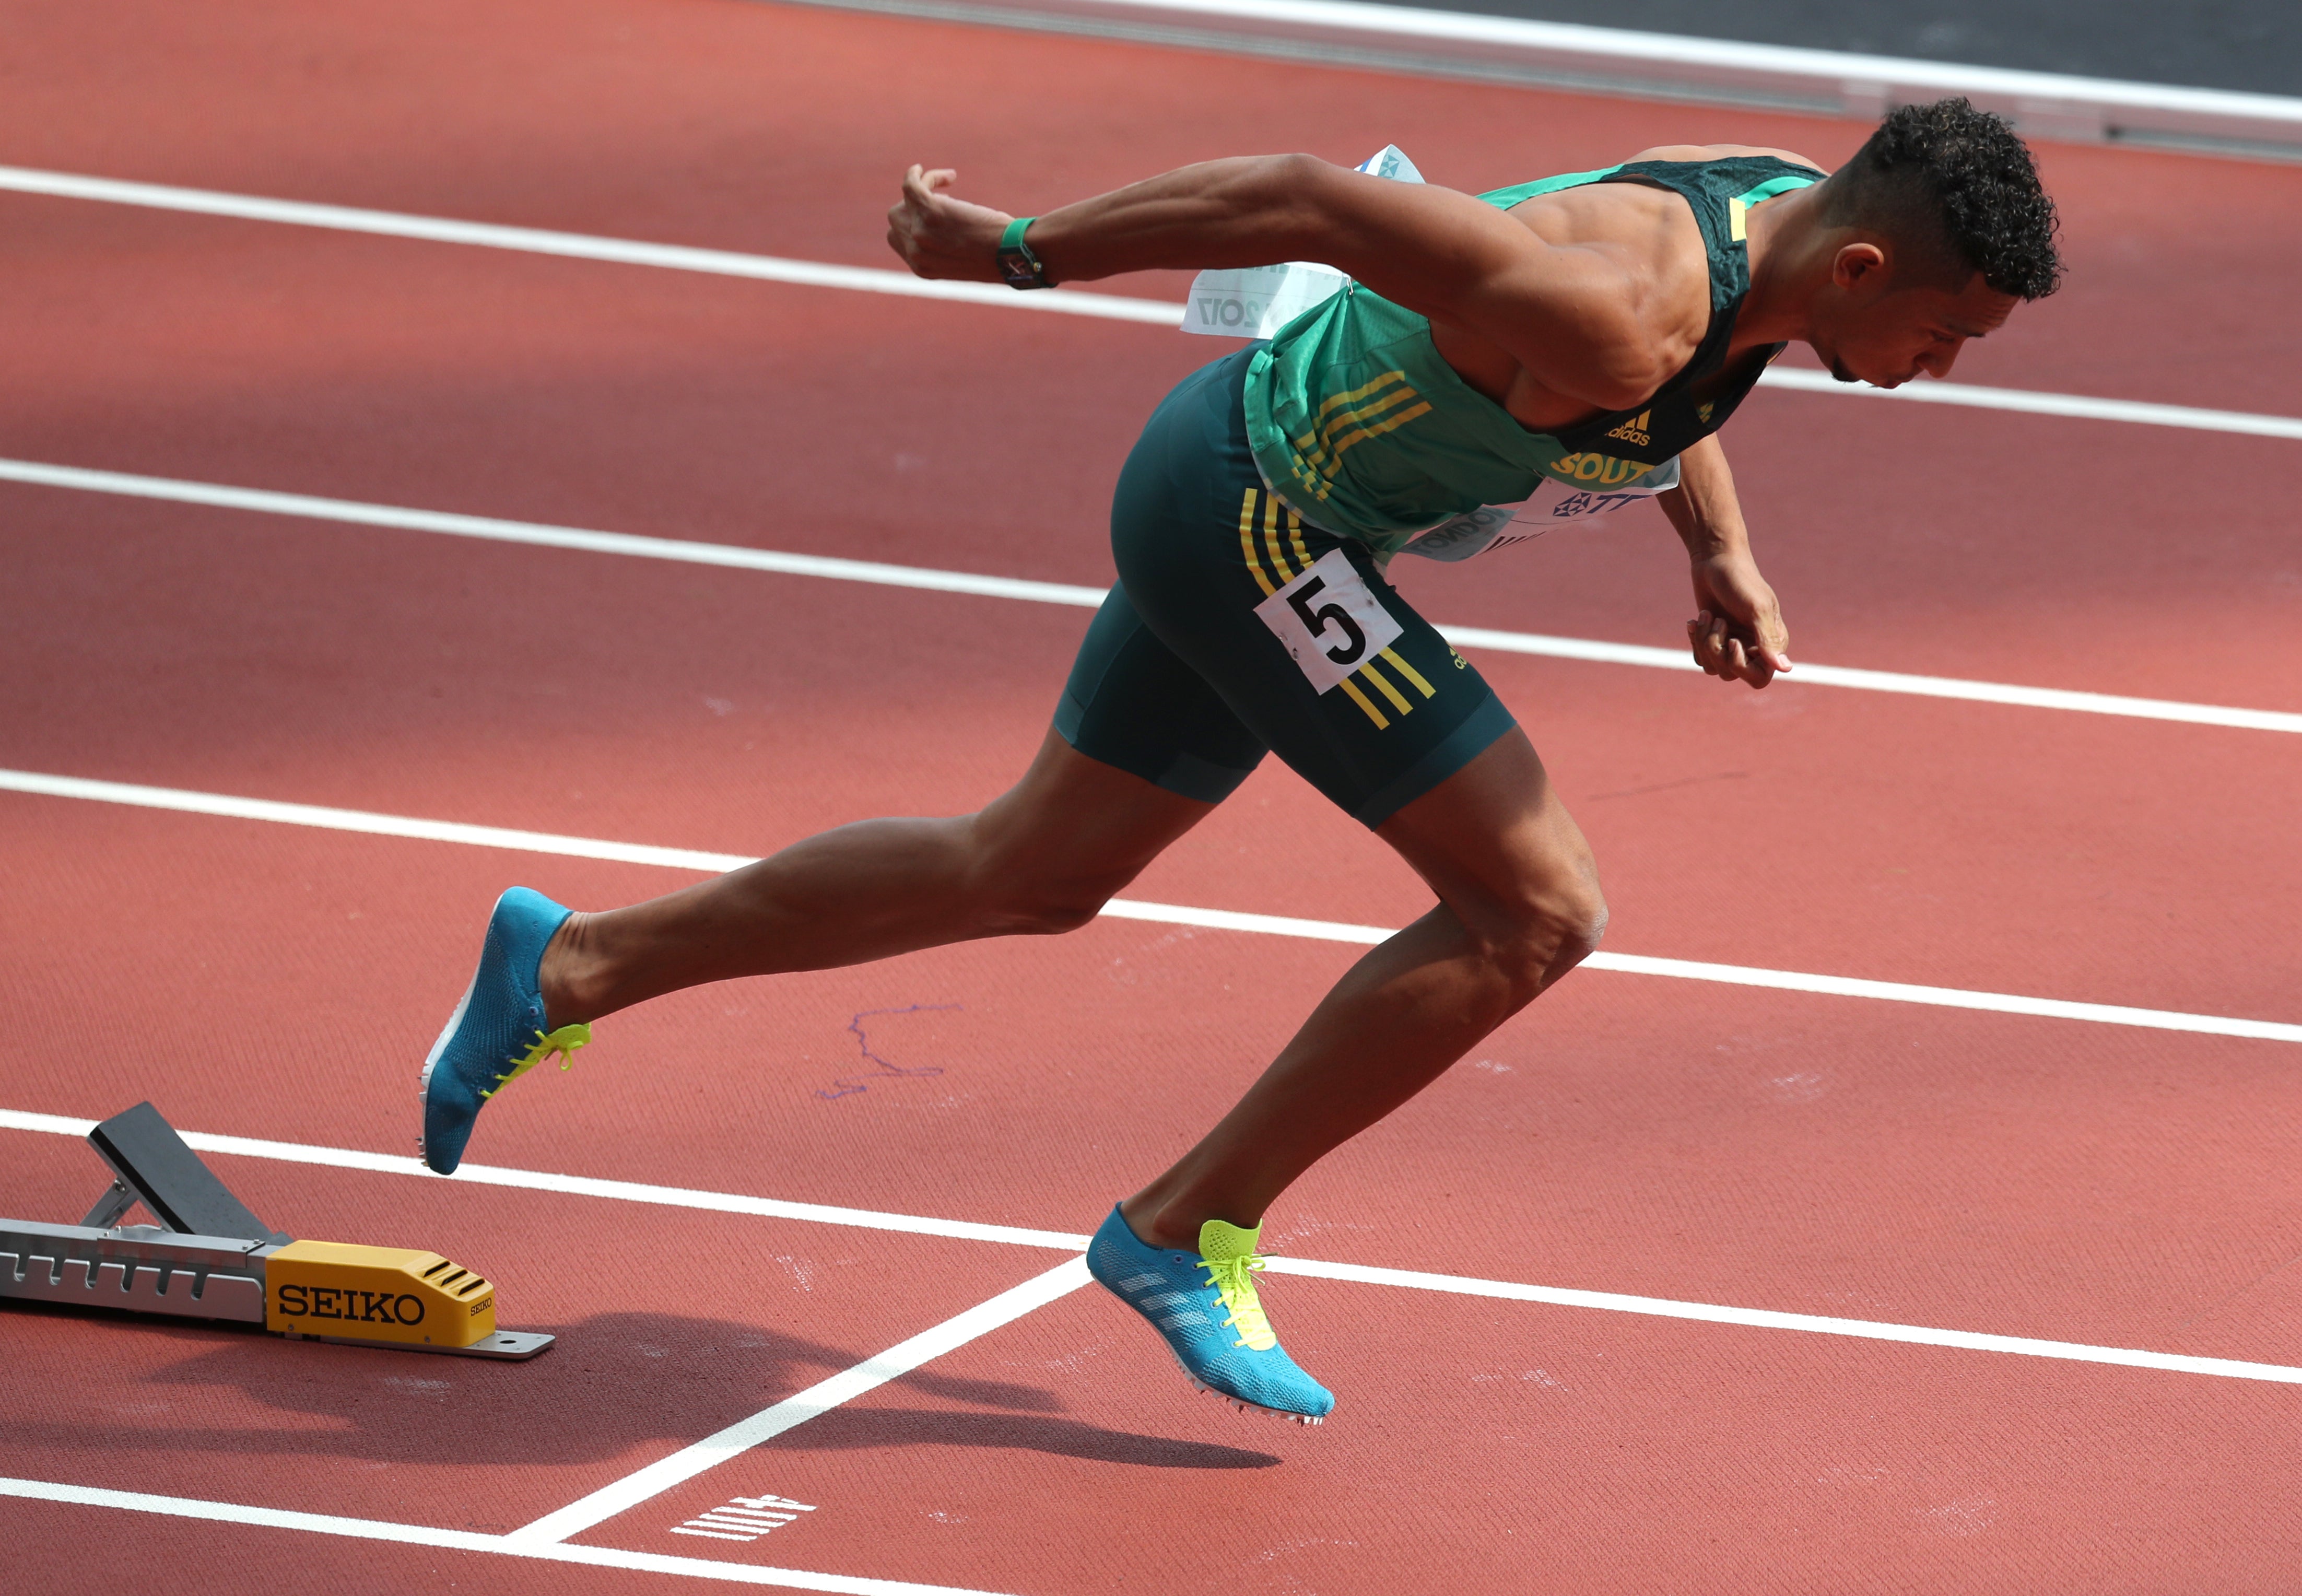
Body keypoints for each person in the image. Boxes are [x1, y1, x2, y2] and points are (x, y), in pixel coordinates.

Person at [416, 98, 2060, 1424]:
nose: (1946, 367)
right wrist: (1017, 254)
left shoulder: (1773, 219)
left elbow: (1696, 395)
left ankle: (569, 965)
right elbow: (1304, 197)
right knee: (1536, 913)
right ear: (1856, 268)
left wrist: (1713, 549)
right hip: (1254, 522)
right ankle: (1183, 1230)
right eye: (1948, 331)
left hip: (1259, 494)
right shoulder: (1620, 310)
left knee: (1031, 871)